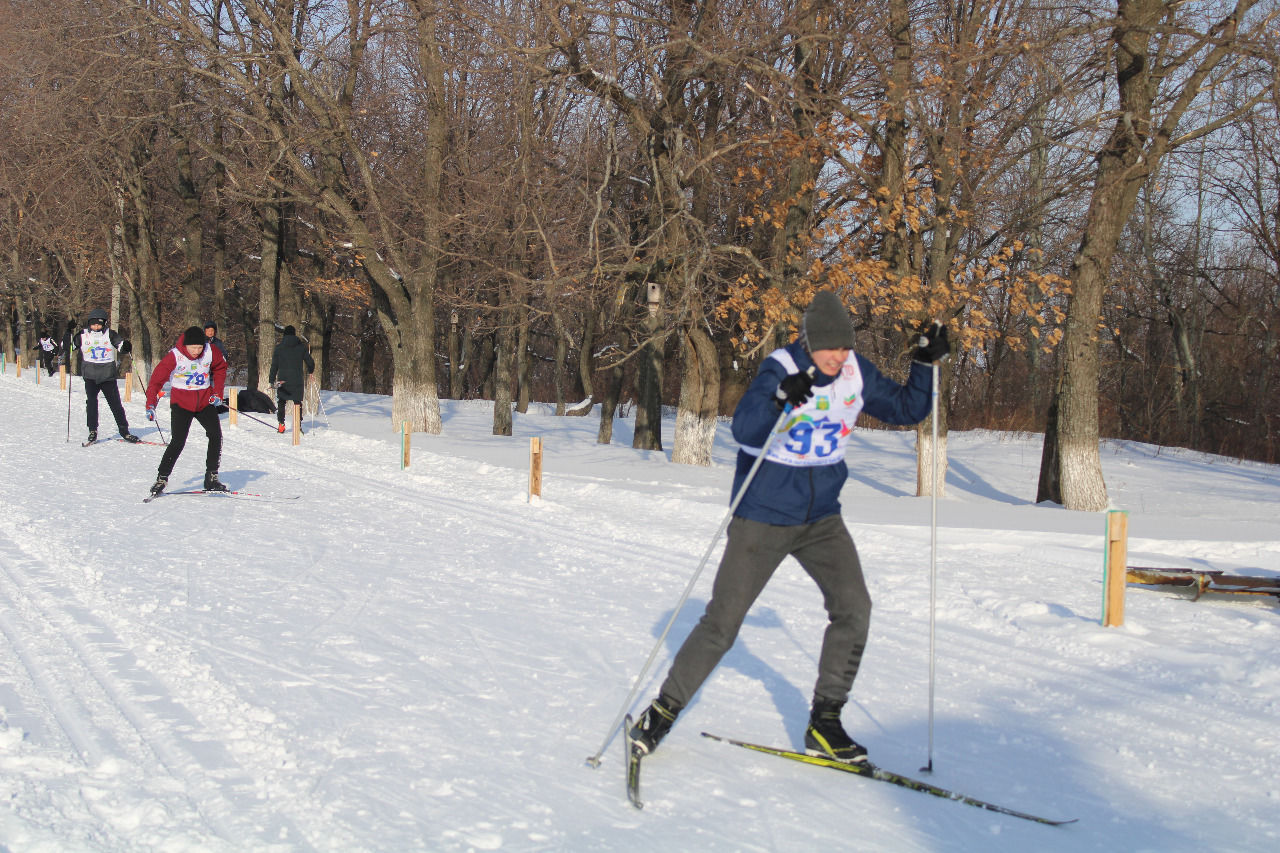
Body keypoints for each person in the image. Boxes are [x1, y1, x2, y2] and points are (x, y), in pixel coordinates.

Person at [629, 290, 950, 765]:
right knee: (723, 623)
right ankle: (661, 712)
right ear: (810, 344)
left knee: (854, 608)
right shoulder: (780, 368)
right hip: (763, 516)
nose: (840, 357)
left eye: (846, 347)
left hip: (822, 519)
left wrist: (924, 365)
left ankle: (825, 724)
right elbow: (746, 428)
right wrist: (782, 396)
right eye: (831, 350)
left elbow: (905, 410)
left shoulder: (855, 371)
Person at [145, 326, 229, 496]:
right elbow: (156, 381)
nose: (197, 352)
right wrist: (150, 404)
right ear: (186, 345)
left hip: (204, 402)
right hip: (181, 404)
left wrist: (218, 393)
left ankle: (211, 476)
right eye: (193, 348)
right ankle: (162, 478)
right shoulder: (175, 355)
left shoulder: (210, 351)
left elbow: (220, 368)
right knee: (178, 441)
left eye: (200, 347)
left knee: (215, 435)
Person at [71, 309, 140, 444]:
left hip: (107, 375)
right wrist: (68, 334)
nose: (96, 327)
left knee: (115, 404)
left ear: (104, 324)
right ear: (89, 324)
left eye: (99, 324)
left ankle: (124, 431)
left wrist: (125, 346)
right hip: (90, 375)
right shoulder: (83, 335)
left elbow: (120, 345)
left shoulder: (110, 334)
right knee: (91, 402)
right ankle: (92, 430)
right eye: (93, 324)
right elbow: (68, 346)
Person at [269, 325, 315, 434]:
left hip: (282, 380)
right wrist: (311, 371)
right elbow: (311, 362)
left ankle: (281, 424)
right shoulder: (301, 348)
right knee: (297, 402)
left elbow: (274, 365)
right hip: (297, 380)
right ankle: (298, 426)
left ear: (284, 335)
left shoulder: (279, 348)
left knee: (281, 402)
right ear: (294, 334)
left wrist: (271, 380)